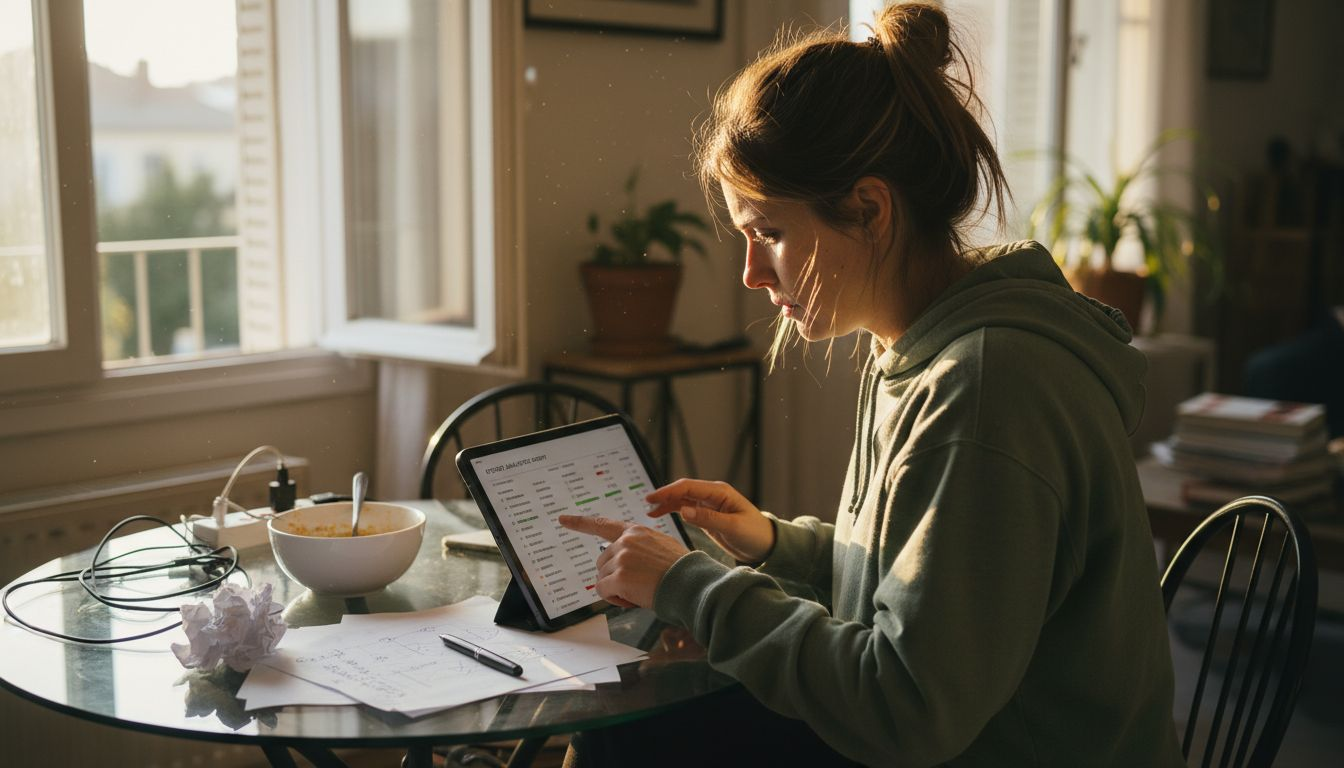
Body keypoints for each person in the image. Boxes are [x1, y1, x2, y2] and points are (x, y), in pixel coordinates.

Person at [559, 3, 1184, 765]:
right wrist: (776, 544)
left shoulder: (985, 385)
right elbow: (926, 591)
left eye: (771, 234)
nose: (753, 274)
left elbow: (909, 707)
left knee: (631, 734)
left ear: (869, 209)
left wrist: (694, 587)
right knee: (641, 715)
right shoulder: (921, 348)